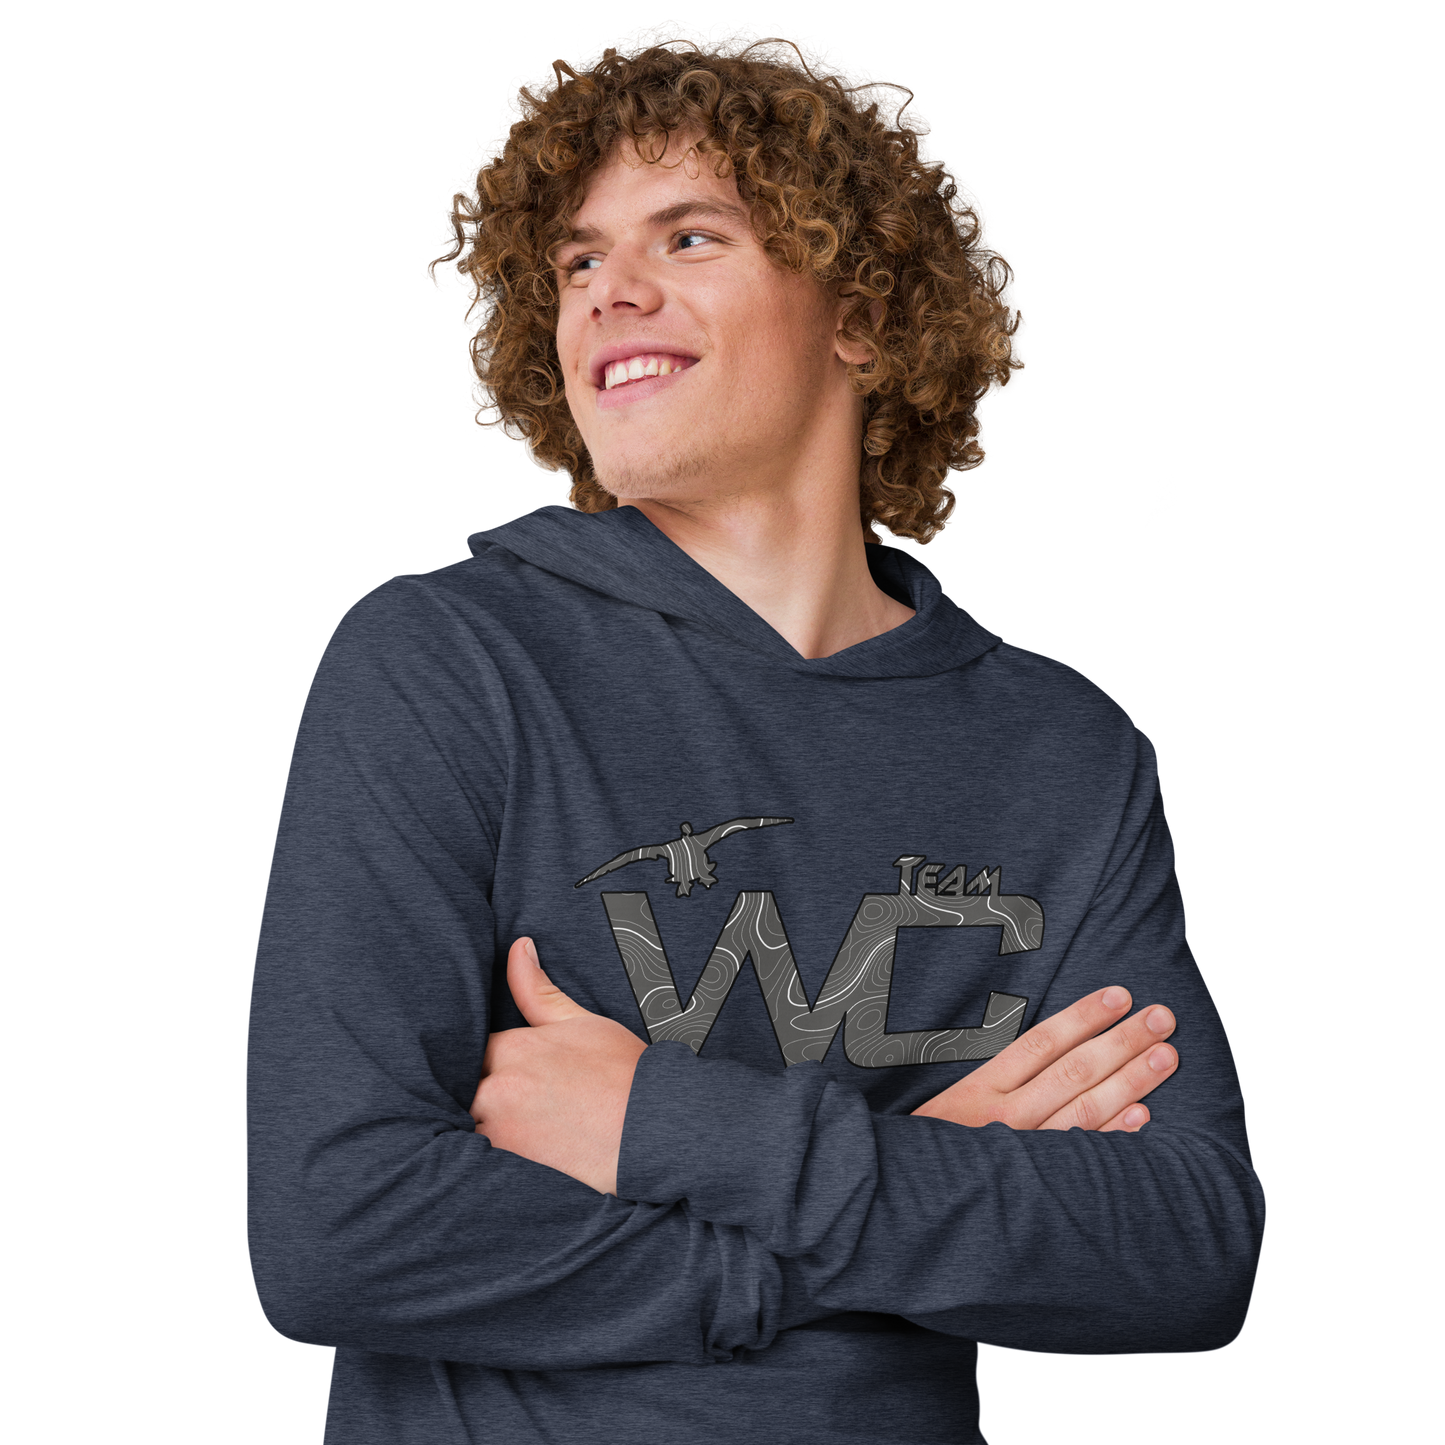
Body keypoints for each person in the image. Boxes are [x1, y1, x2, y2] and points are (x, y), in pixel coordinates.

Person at [243, 17, 1267, 1443]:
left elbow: (1188, 1247)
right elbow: (339, 1233)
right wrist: (911, 1189)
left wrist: (664, 1126)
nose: (609, 293)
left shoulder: (1063, 750)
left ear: (863, 312)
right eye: (577, 262)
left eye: (689, 237)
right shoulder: (446, 664)